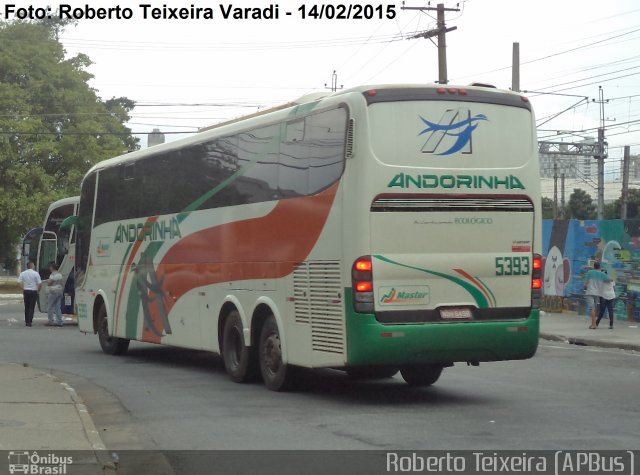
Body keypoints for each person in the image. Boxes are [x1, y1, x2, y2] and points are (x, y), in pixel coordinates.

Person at [584, 261, 610, 329]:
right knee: (594, 309)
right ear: (599, 267)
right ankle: (593, 324)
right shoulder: (602, 274)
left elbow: (586, 282)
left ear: (593, 266)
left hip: (590, 292)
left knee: (592, 309)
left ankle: (593, 324)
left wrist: (586, 285)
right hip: (597, 293)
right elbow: (609, 280)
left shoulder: (590, 272)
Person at [17, 261, 42, 327]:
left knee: (27, 306)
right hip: (33, 291)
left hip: (26, 291)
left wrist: (23, 288)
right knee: (31, 307)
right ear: (32, 266)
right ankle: (29, 321)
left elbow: (19, 282)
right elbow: (40, 283)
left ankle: (26, 320)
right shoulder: (36, 274)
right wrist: (38, 290)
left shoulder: (23, 273)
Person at [45, 262, 64, 327]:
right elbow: (61, 283)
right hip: (59, 291)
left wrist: (48, 281)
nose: (49, 268)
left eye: (50, 267)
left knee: (50, 307)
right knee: (57, 307)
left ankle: (50, 321)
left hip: (53, 291)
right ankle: (60, 321)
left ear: (52, 268)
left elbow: (49, 283)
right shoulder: (60, 274)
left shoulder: (52, 275)